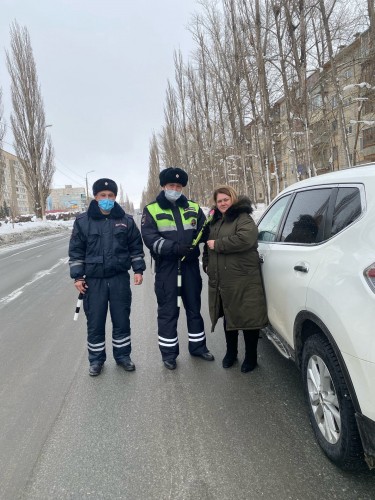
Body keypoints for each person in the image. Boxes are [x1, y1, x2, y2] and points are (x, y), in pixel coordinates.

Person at [69, 178, 146, 376]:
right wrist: (78, 277)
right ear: (95, 197)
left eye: (110, 196)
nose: (107, 199)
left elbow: (135, 248)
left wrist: (138, 270)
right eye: (103, 195)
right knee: (95, 322)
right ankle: (96, 360)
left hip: (119, 278)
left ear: (115, 197)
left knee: (121, 319)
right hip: (94, 282)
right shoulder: (83, 222)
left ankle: (123, 356)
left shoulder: (126, 221)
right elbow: (76, 252)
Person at [141, 167, 214, 370]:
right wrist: (174, 248)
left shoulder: (192, 207)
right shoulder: (152, 209)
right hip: (167, 269)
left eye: (179, 186)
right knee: (168, 312)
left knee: (194, 309)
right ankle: (169, 354)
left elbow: (204, 230)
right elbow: (150, 239)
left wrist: (211, 226)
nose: (175, 189)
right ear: (163, 186)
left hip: (190, 267)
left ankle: (198, 347)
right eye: (171, 186)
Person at [203, 185, 268, 373]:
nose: (223, 203)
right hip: (223, 280)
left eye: (226, 199)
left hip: (243, 278)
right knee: (229, 317)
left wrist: (219, 244)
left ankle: (251, 357)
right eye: (219, 200)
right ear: (215, 203)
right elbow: (208, 246)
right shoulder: (215, 221)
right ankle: (231, 353)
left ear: (233, 199)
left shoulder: (243, 217)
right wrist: (207, 263)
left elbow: (246, 239)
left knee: (248, 318)